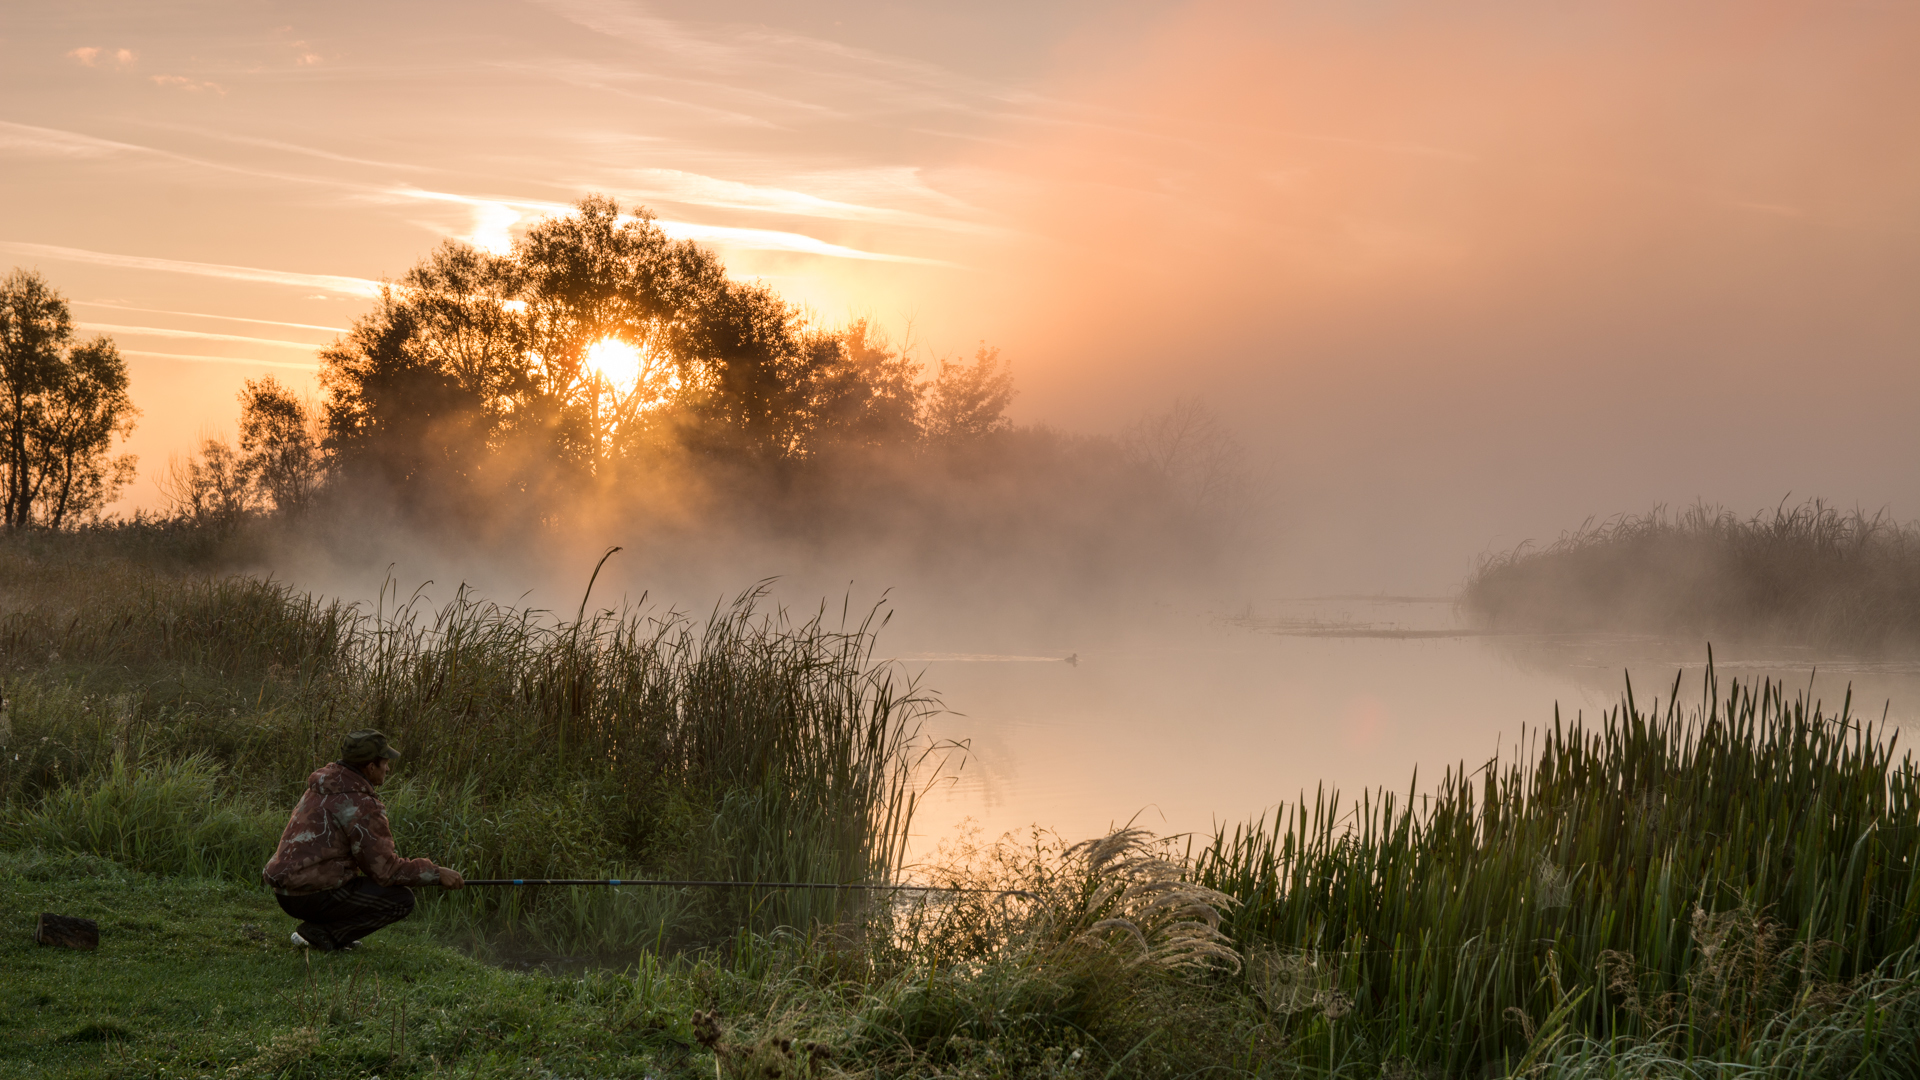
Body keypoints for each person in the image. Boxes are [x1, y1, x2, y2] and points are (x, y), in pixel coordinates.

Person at [262, 730, 464, 951]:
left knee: (361, 884)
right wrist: (436, 873)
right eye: (385, 763)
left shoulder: (320, 786)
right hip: (312, 896)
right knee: (401, 899)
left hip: (286, 894)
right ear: (370, 767)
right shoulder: (361, 803)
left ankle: (326, 930)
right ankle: (324, 933)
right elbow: (385, 870)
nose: (388, 768)